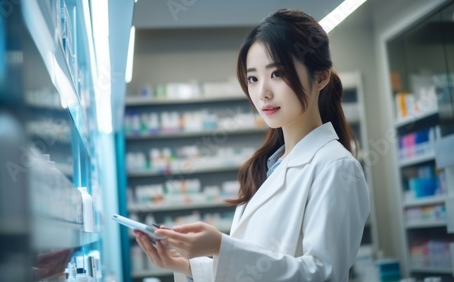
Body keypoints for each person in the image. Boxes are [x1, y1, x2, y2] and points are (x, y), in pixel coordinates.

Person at [134, 9, 370, 282]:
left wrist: (221, 247)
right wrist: (186, 266)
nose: (262, 93)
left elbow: (323, 275)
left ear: (320, 78)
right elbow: (256, 266)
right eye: (253, 78)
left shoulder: (336, 167)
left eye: (278, 74)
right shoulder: (268, 166)